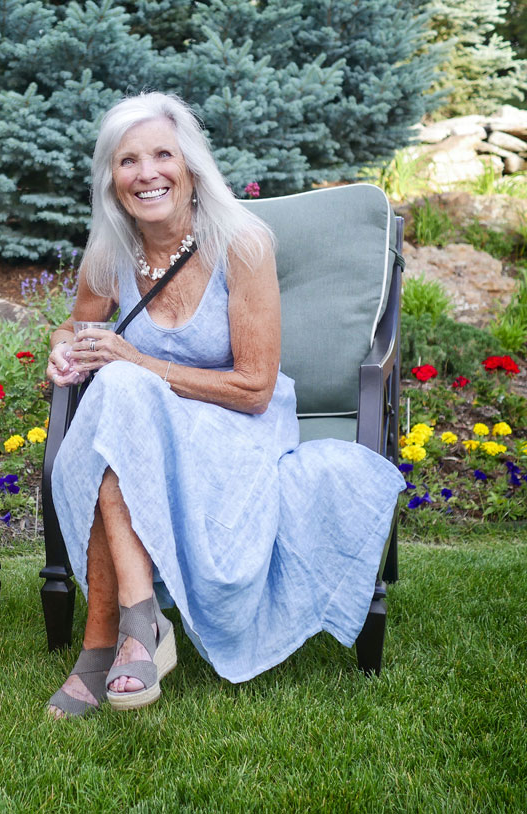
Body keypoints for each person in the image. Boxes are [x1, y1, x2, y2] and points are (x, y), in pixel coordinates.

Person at [44, 92, 404, 717]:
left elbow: (255, 388)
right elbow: (76, 328)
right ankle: (137, 618)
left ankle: (104, 642)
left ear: (191, 166)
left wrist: (136, 364)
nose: (147, 173)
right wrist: (64, 351)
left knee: (122, 389)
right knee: (117, 397)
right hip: (146, 423)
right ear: (112, 178)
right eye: (129, 161)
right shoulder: (109, 252)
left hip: (240, 426)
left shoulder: (241, 243)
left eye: (163, 155)